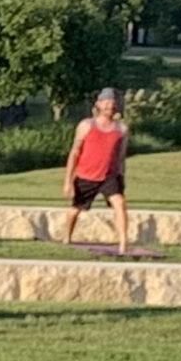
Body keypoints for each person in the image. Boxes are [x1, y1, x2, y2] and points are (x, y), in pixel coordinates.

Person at [56, 87, 130, 249]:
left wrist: (121, 177)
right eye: (106, 103)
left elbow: (120, 158)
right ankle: (66, 238)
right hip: (86, 175)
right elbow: (74, 153)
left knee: (120, 204)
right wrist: (68, 182)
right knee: (75, 210)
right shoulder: (86, 125)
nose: (109, 106)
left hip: (109, 176)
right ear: (98, 105)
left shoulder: (121, 129)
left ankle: (123, 243)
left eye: (112, 103)